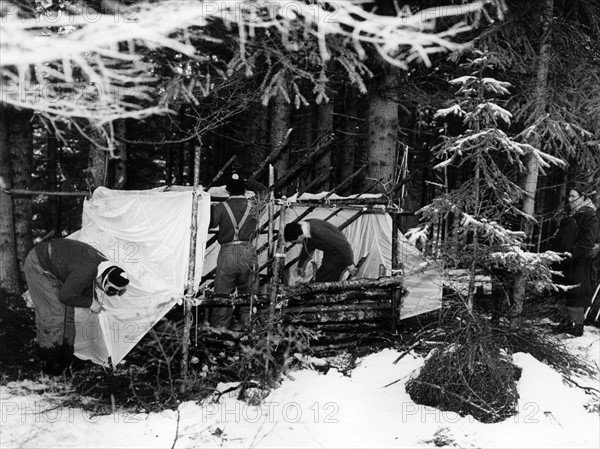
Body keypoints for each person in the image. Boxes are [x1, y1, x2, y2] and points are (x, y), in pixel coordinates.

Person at [23, 238, 129, 374]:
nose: (108, 293)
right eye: (110, 290)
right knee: (55, 313)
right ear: (104, 279)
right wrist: (90, 303)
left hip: (56, 265)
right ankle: (50, 361)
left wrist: (92, 300)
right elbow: (66, 295)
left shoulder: (101, 266)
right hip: (39, 264)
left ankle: (66, 357)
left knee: (68, 311)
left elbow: (85, 283)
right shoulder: (87, 270)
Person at [209, 173, 257, 329]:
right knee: (248, 296)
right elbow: (267, 192)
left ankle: (219, 333)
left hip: (227, 253)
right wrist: (250, 181)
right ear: (245, 190)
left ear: (228, 191)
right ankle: (249, 331)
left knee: (222, 296)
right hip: (248, 252)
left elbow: (210, 224)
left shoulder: (221, 207)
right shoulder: (254, 206)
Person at [552, 185, 599, 336]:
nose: (570, 199)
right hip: (566, 260)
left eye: (573, 196)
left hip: (578, 261)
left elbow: (587, 241)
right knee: (566, 291)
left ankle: (578, 326)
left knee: (577, 294)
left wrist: (570, 254)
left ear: (583, 198)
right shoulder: (573, 214)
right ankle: (566, 323)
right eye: (569, 197)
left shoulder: (588, 214)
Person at [283, 219, 357, 282]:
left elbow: (344, 245)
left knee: (323, 280)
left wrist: (349, 264)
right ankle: (328, 296)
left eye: (295, 241)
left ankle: (327, 297)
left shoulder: (318, 230)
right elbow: (307, 248)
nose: (297, 243)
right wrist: (301, 266)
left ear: (299, 237)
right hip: (330, 254)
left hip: (340, 254)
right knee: (324, 279)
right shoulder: (306, 230)